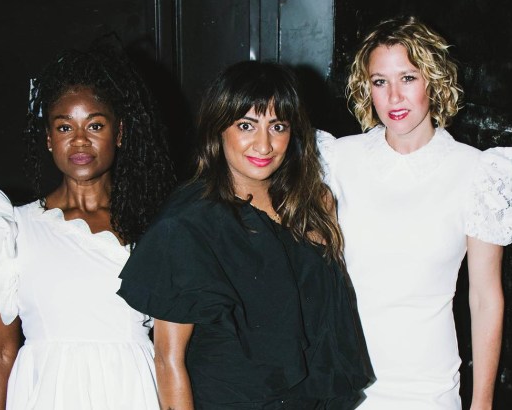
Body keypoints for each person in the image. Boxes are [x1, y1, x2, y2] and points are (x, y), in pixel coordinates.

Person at [118, 61, 374, 409]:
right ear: (218, 129)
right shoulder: (189, 223)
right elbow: (168, 360)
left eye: (277, 126)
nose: (264, 145)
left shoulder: (313, 204)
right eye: (246, 125)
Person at [0, 42, 176, 409]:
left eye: (95, 125)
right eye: (65, 127)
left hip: (134, 393)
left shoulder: (154, 227)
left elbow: (169, 353)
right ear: (49, 140)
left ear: (119, 133)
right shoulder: (11, 228)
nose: (80, 140)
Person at [316, 16, 512, 410]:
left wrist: (482, 403)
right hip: (343, 384)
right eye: (380, 81)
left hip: (428, 389)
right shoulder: (337, 160)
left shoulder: (476, 171)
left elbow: (485, 298)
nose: (394, 97)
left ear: (433, 81)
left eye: (408, 78)